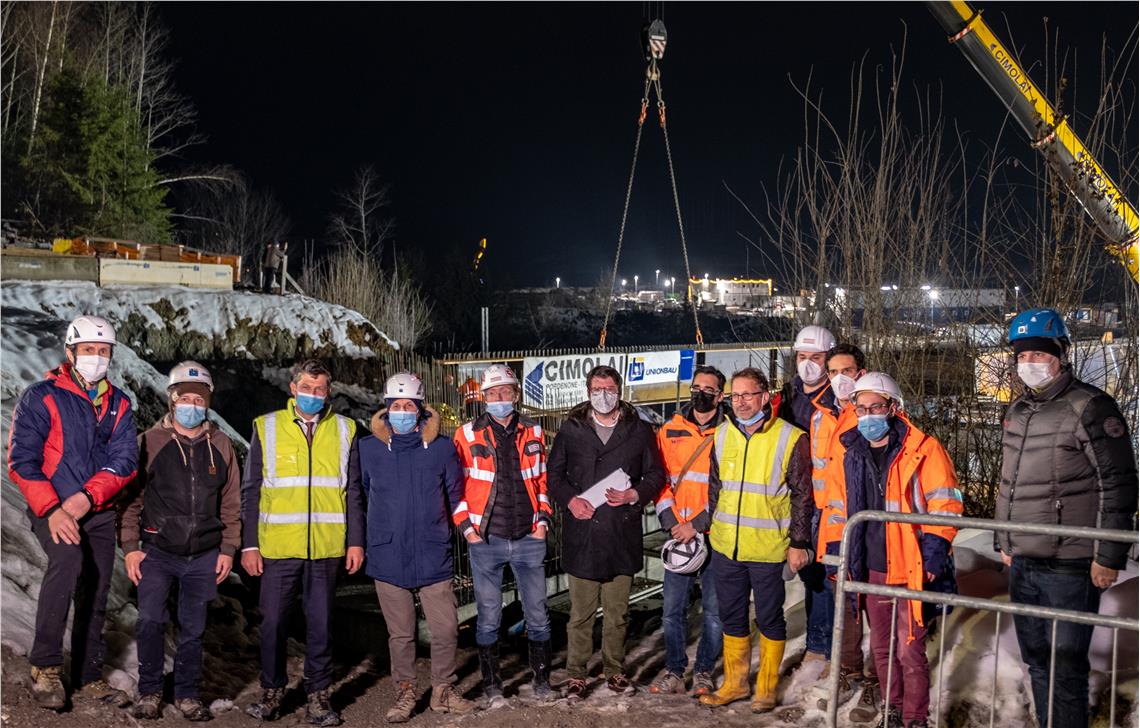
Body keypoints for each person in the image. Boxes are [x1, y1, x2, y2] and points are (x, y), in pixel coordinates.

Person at [996, 309, 1137, 728]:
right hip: (1024, 559)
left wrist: (1109, 554)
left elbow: (1118, 483)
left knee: (1066, 669)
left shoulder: (1089, 406)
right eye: (1022, 356)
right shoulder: (1019, 409)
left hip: (1069, 563)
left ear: (1061, 355)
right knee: (1038, 663)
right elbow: (1010, 481)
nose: (1029, 363)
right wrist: (1004, 540)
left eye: (1039, 354)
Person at [7, 315, 137, 710]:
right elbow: (22, 461)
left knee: (96, 586)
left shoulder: (119, 404)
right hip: (53, 507)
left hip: (95, 509)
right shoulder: (41, 397)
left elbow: (124, 461)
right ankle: (45, 666)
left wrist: (87, 498)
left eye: (103, 351)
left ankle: (87, 673)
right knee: (66, 562)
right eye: (88, 350)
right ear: (70, 352)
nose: (96, 357)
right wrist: (53, 508)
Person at [826, 372, 962, 728]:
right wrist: (837, 551)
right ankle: (892, 710)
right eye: (861, 409)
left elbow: (945, 504)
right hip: (870, 565)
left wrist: (934, 552)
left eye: (875, 407)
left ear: (893, 408)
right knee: (882, 648)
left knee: (909, 650)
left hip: (910, 566)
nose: (868, 415)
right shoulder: (850, 452)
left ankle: (915, 718)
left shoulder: (924, 448)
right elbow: (837, 507)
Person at [241, 359, 365, 727]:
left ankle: (318, 695)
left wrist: (356, 542)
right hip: (278, 547)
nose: (313, 394)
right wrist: (249, 545)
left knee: (321, 625)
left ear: (329, 393)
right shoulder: (267, 427)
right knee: (273, 623)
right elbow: (252, 491)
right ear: (293, 388)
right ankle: (272, 690)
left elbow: (353, 491)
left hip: (326, 548)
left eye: (320, 389)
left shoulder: (345, 429)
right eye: (307, 387)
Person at [120, 362, 241, 721]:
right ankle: (149, 691)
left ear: (207, 403)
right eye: (185, 398)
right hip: (157, 552)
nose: (192, 405)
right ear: (172, 400)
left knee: (194, 629)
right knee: (150, 621)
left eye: (199, 400)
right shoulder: (149, 442)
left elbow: (231, 502)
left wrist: (228, 549)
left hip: (204, 554)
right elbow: (130, 500)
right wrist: (131, 548)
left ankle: (187, 694)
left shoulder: (221, 445)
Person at [360, 372, 477, 723]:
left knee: (445, 629)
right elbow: (362, 493)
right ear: (386, 408)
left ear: (420, 409)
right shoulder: (368, 449)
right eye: (395, 405)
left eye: (408, 406)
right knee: (400, 634)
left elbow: (455, 494)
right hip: (388, 553)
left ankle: (443, 690)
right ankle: (405, 690)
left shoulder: (441, 448)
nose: (402, 412)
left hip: (432, 552)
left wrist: (460, 530)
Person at [547, 365, 665, 699]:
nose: (603, 395)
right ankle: (576, 673)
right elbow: (554, 475)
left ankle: (614, 669)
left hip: (620, 532)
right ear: (588, 392)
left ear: (619, 391)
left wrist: (634, 494)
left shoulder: (639, 430)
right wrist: (570, 501)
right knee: (580, 615)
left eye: (609, 389)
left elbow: (656, 474)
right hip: (583, 531)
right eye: (597, 389)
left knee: (617, 613)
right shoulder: (571, 429)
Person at [699, 367, 813, 713]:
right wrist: (713, 527)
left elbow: (802, 495)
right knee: (732, 616)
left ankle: (766, 689)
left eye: (748, 394)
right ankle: (735, 684)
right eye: (735, 395)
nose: (741, 402)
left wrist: (798, 541)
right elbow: (716, 487)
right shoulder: (722, 434)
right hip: (727, 547)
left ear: (765, 397)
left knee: (769, 618)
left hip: (767, 548)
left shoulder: (790, 437)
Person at [452, 364, 554, 705]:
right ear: (483, 397)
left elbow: (542, 480)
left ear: (516, 394)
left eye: (505, 392)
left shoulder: (534, 431)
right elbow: (454, 487)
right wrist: (467, 529)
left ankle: (542, 682)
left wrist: (542, 522)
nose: (499, 398)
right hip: (486, 539)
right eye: (493, 394)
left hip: (528, 536)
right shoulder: (466, 435)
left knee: (538, 614)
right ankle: (493, 686)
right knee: (488, 617)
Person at [648, 365, 726, 697]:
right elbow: (660, 481)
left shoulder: (730, 433)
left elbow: (728, 489)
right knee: (672, 611)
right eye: (696, 387)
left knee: (715, 613)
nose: (700, 393)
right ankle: (675, 670)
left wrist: (697, 525)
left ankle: (704, 672)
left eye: (708, 389)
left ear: (720, 396)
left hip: (715, 535)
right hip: (679, 536)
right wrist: (671, 523)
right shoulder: (669, 431)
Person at [811, 344, 875, 711]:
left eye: (846, 371)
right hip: (835, 530)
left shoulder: (871, 412)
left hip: (871, 528)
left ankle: (878, 679)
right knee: (845, 607)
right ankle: (850, 671)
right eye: (832, 372)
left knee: (877, 608)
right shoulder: (821, 416)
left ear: (860, 373)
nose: (839, 378)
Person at [776, 325, 838, 669]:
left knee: (827, 576)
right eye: (802, 356)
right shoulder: (789, 395)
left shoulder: (838, 398)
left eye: (816, 357)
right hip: (797, 498)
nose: (808, 364)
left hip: (830, 502)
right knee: (809, 575)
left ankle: (825, 648)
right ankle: (817, 644)